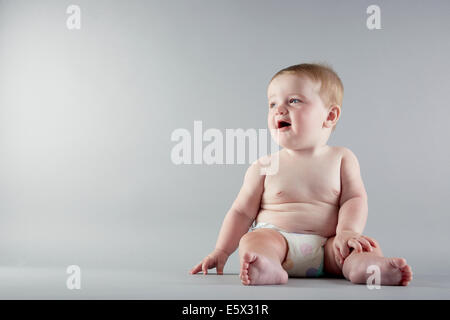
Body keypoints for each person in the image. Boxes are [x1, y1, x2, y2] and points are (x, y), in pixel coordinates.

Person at [190, 63, 412, 286]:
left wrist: (347, 232)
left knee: (365, 246)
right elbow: (240, 212)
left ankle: (366, 268)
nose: (279, 109)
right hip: (277, 240)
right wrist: (222, 250)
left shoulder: (342, 158)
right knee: (254, 239)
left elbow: (354, 199)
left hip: (328, 246)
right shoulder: (264, 165)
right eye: (272, 103)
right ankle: (267, 266)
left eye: (293, 100)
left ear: (330, 115)